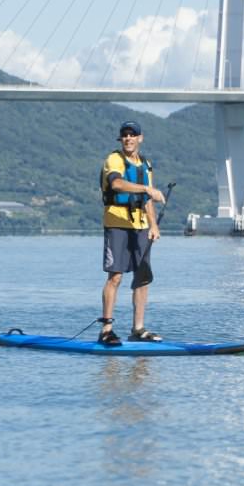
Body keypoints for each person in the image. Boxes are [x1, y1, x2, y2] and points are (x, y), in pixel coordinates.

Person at [97, 120, 167, 346]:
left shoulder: (145, 165)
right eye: (125, 135)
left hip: (141, 226)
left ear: (140, 138)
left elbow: (147, 201)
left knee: (142, 277)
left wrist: (153, 225)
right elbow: (116, 184)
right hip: (117, 224)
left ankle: (138, 328)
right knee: (115, 276)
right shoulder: (114, 160)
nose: (128, 138)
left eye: (132, 134)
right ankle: (106, 330)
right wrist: (147, 188)